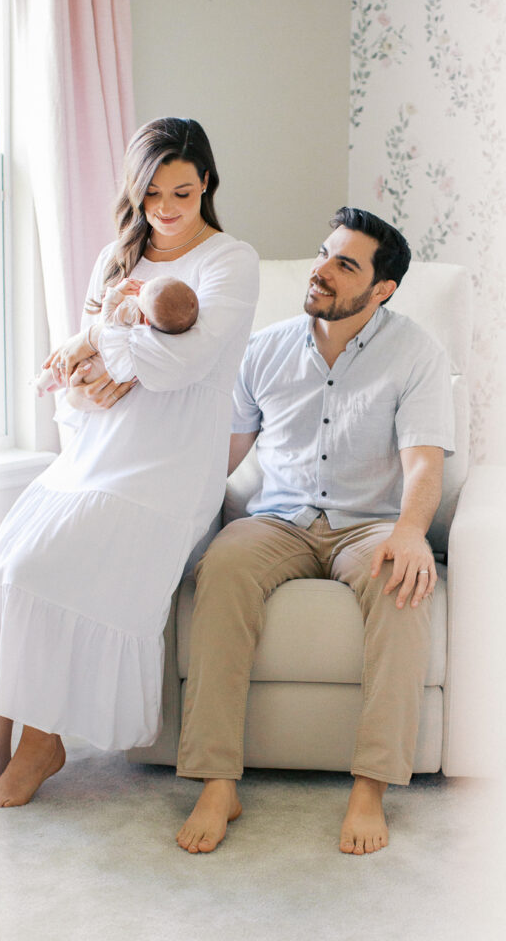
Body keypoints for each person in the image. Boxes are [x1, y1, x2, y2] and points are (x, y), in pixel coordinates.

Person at [0, 117, 258, 808]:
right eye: (153, 195)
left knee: (40, 568)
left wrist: (111, 339)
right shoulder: (117, 258)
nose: (166, 210)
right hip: (96, 454)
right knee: (2, 569)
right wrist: (91, 376)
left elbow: (180, 367)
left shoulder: (230, 262)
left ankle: (42, 743)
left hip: (168, 471)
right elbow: (89, 381)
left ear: (208, 189)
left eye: (183, 194)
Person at [175, 206, 455, 856]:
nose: (321, 271)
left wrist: (412, 532)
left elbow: (423, 462)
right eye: (324, 254)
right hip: (278, 519)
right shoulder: (264, 349)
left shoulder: (416, 352)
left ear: (382, 288)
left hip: (370, 526)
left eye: (344, 264)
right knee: (222, 567)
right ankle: (218, 782)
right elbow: (223, 455)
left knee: (405, 585)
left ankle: (370, 786)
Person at [33, 276, 199, 397]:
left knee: (63, 365)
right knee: (70, 375)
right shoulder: (162, 326)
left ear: (147, 320)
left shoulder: (134, 312)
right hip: (109, 373)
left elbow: (108, 321)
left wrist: (116, 293)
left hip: (96, 361)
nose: (142, 287)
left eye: (144, 290)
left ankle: (40, 385)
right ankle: (52, 385)